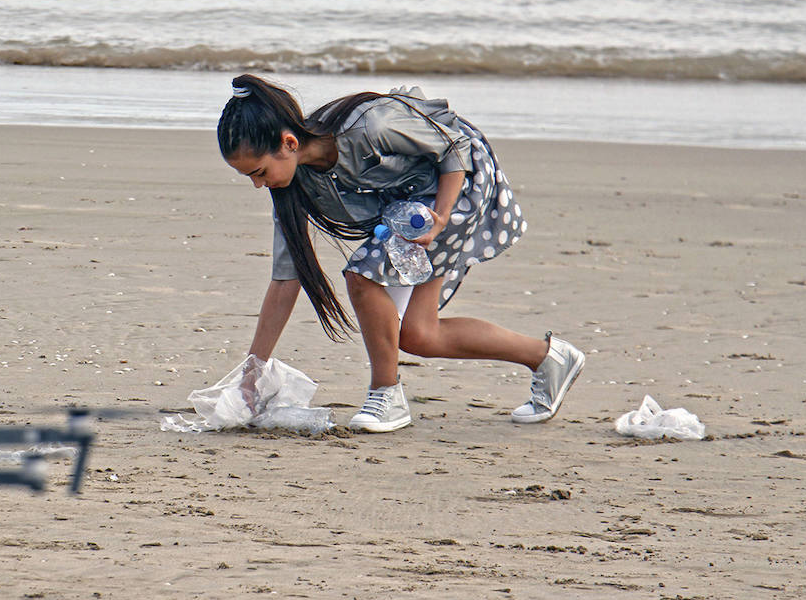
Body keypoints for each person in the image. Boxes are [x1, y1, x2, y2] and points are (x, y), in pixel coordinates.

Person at [217, 73, 584, 432]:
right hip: (409, 204)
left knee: (363, 275)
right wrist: (253, 373)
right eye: (249, 176)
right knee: (418, 335)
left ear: (289, 143)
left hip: (458, 183)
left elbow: (453, 147)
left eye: (260, 171)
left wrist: (441, 217)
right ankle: (549, 357)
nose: (257, 184)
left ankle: (386, 395)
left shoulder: (368, 126)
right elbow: (285, 281)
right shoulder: (292, 190)